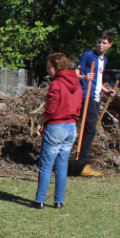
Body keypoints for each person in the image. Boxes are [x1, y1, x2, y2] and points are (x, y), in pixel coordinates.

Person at [31, 53, 83, 209]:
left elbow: (52, 109)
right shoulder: (77, 83)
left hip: (56, 126)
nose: (47, 71)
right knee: (62, 165)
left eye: (49, 68)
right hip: (71, 127)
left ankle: (39, 201)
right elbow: (78, 106)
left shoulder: (57, 84)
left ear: (57, 67)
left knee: (46, 165)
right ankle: (59, 201)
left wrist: (41, 122)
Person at [74, 31, 117, 177]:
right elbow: (76, 73)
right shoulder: (88, 55)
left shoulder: (104, 60)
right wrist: (84, 76)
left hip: (96, 96)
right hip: (86, 95)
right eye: (99, 42)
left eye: (104, 43)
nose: (100, 45)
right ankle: (81, 163)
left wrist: (106, 91)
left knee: (90, 129)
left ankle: (81, 162)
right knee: (89, 129)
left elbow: (98, 79)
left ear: (110, 45)